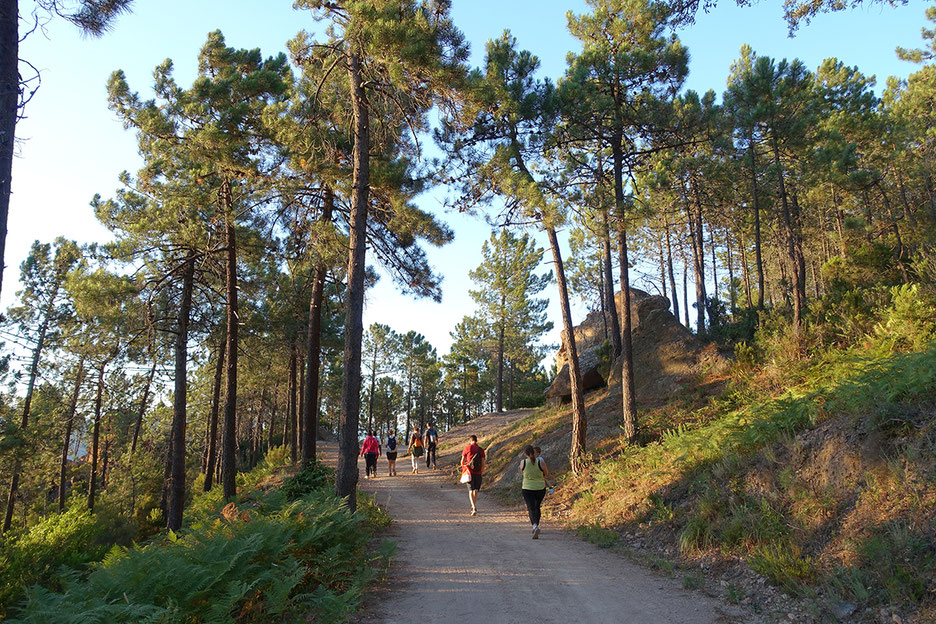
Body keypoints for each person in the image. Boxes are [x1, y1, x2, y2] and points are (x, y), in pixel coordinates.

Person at [520, 445, 552, 539]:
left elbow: (523, 474)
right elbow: (546, 474)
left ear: (525, 453)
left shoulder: (523, 462)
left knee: (531, 508)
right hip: (540, 487)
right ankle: (536, 525)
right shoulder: (540, 462)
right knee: (537, 507)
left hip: (527, 488)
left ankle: (534, 526)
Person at [460, 435, 486, 516]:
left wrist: (465, 468)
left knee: (470, 490)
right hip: (478, 473)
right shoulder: (481, 450)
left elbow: (462, 462)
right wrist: (481, 471)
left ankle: (474, 507)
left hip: (469, 473)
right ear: (476, 440)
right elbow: (482, 463)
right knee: (475, 490)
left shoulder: (467, 448)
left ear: (470, 441)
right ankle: (473, 506)